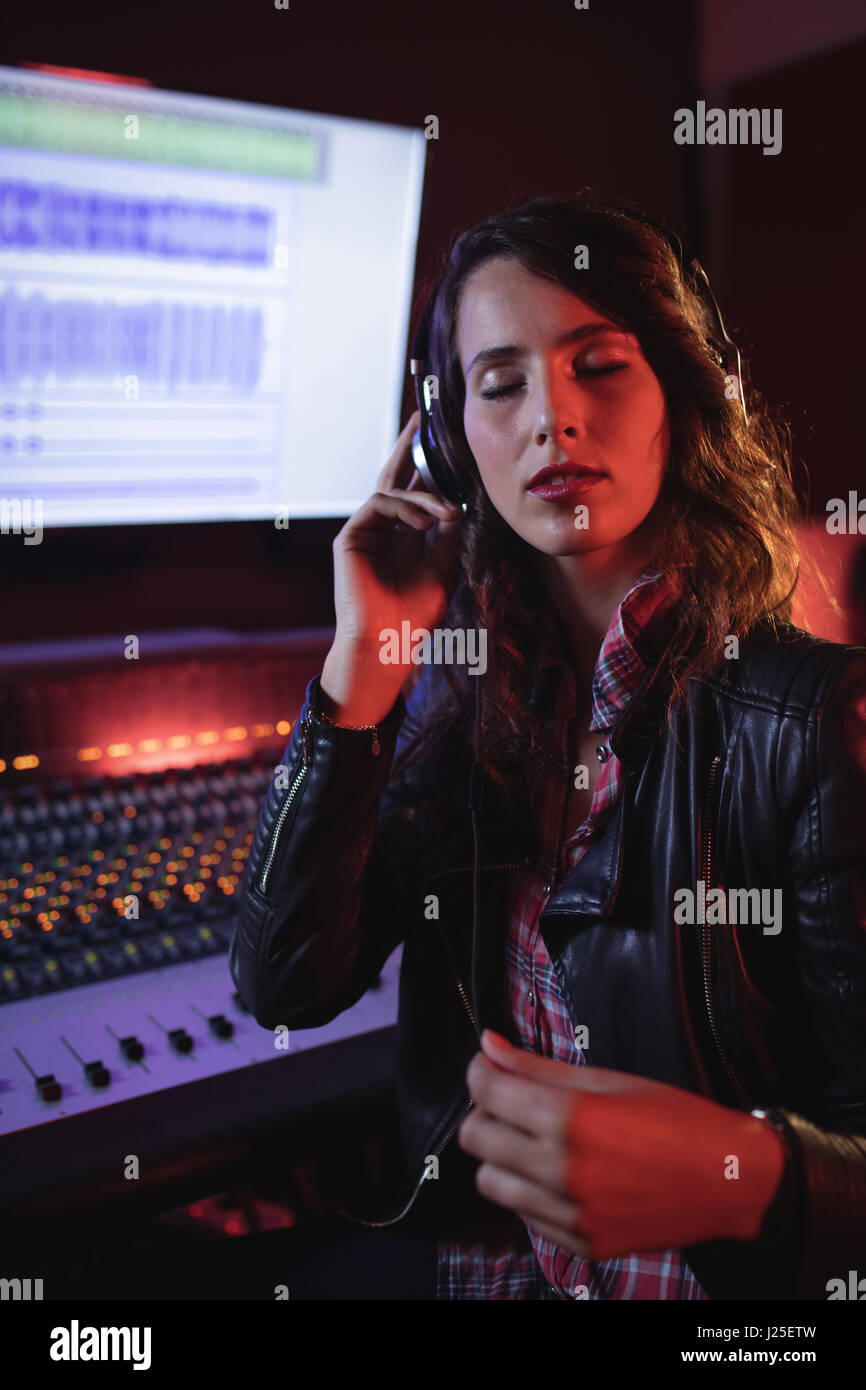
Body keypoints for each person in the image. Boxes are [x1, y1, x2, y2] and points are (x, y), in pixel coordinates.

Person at [229, 194, 866, 1300]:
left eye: (600, 366)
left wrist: (739, 1176)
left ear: (678, 395)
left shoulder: (807, 722)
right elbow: (286, 982)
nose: (552, 422)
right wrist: (363, 659)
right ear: (445, 443)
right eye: (500, 382)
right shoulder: (455, 699)